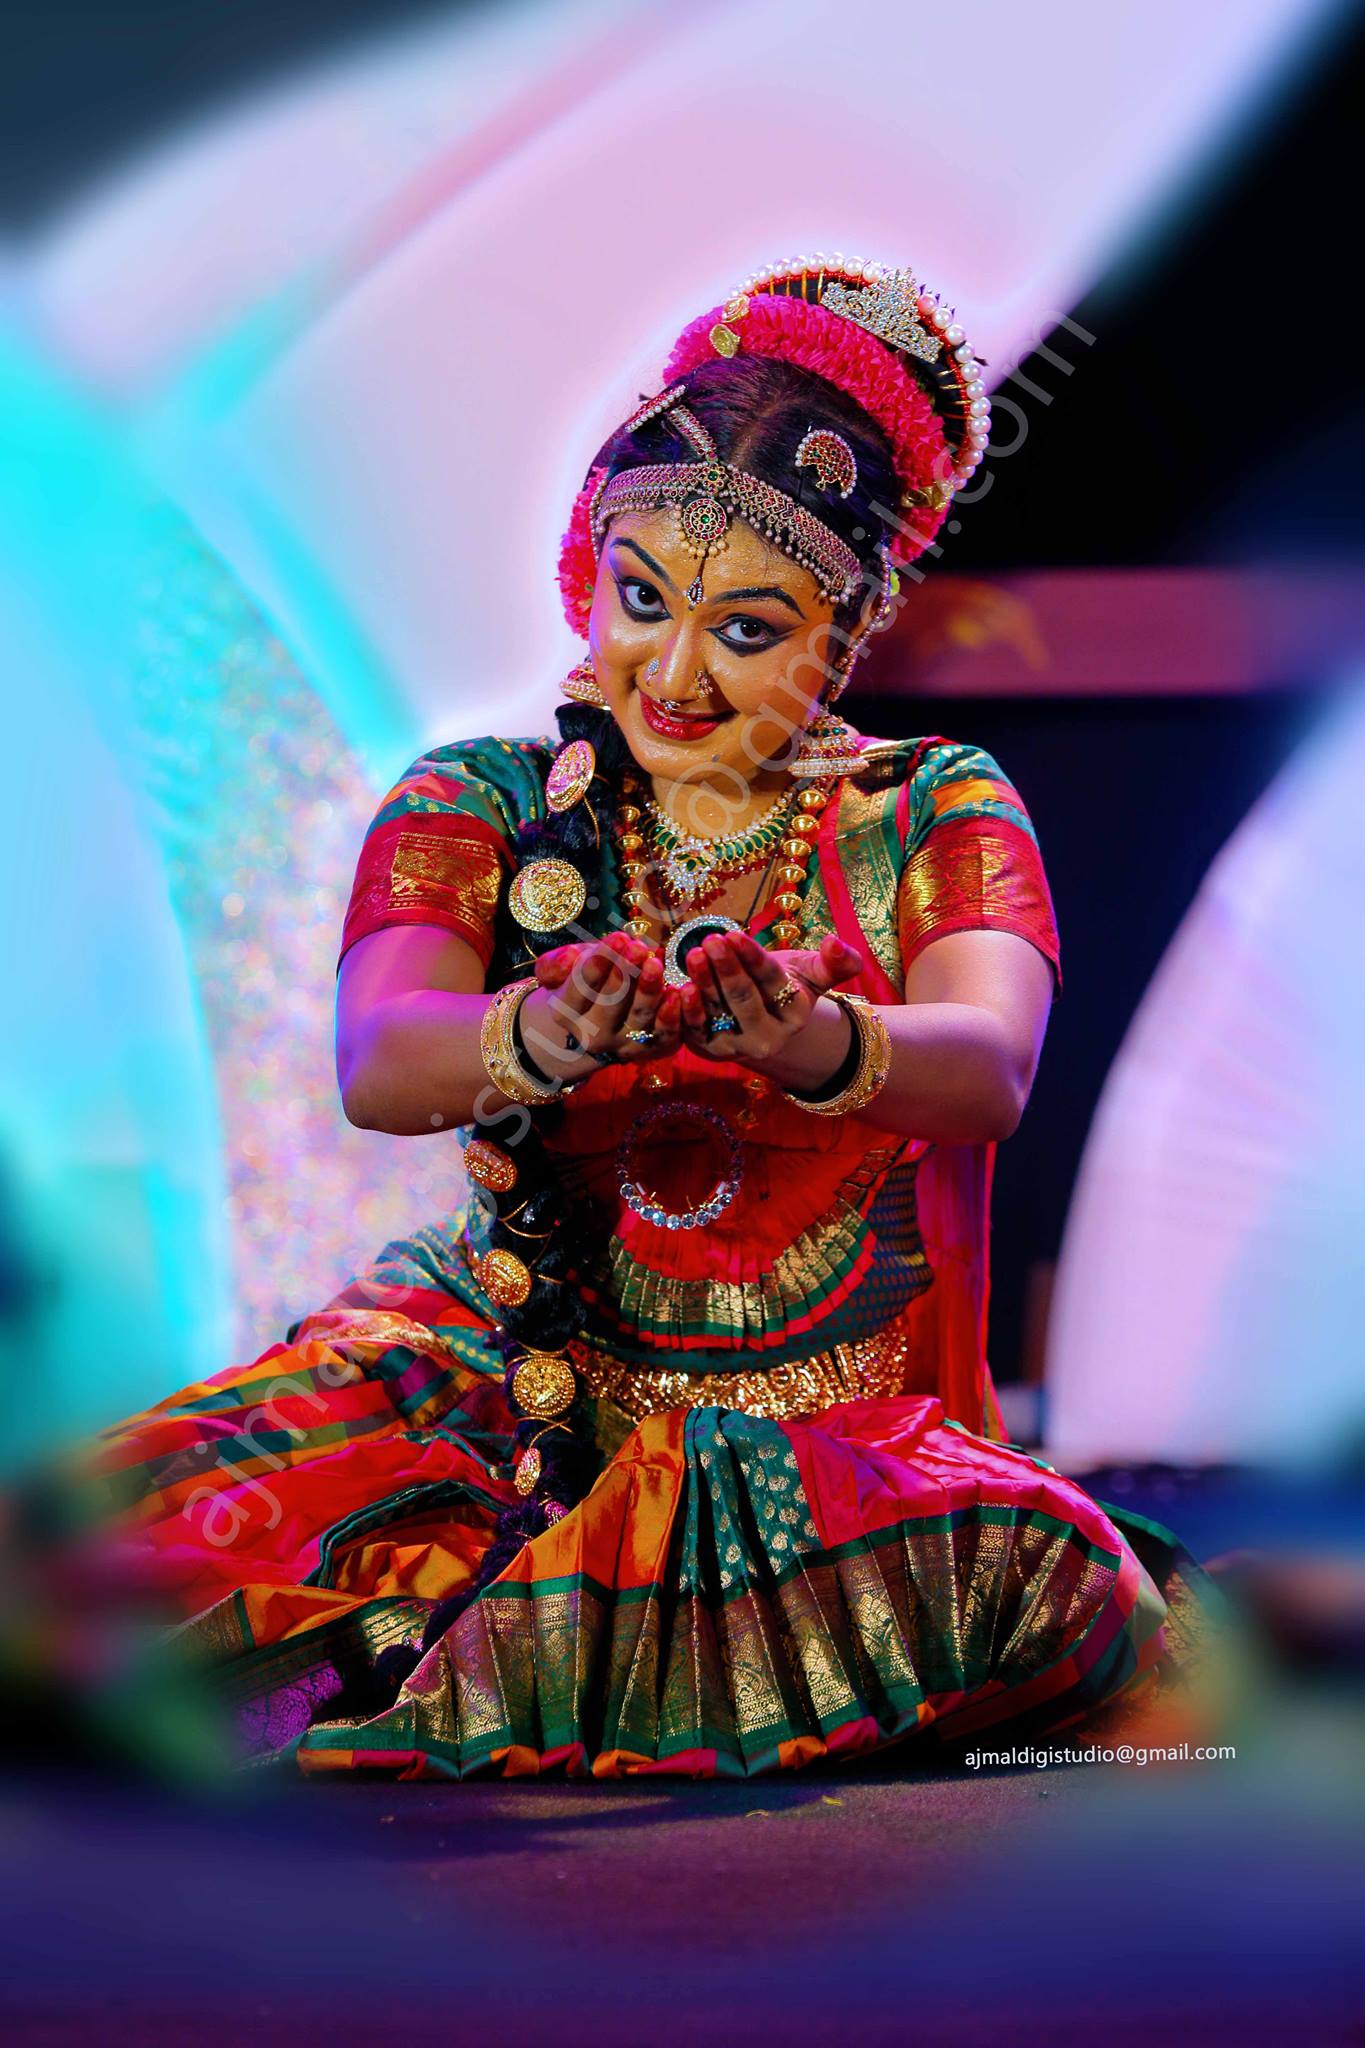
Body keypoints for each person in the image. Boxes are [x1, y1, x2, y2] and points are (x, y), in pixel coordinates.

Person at [71, 256, 1227, 1778]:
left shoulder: (929, 807)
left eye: (746, 630)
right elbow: (382, 1056)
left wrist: (819, 1048)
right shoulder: (485, 799)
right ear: (589, 569)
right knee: (102, 1564)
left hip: (823, 1451)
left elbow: (990, 1064)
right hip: (509, 1388)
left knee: (1025, 1571)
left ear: (845, 627)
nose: (673, 673)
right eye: (639, 601)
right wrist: (534, 1038)